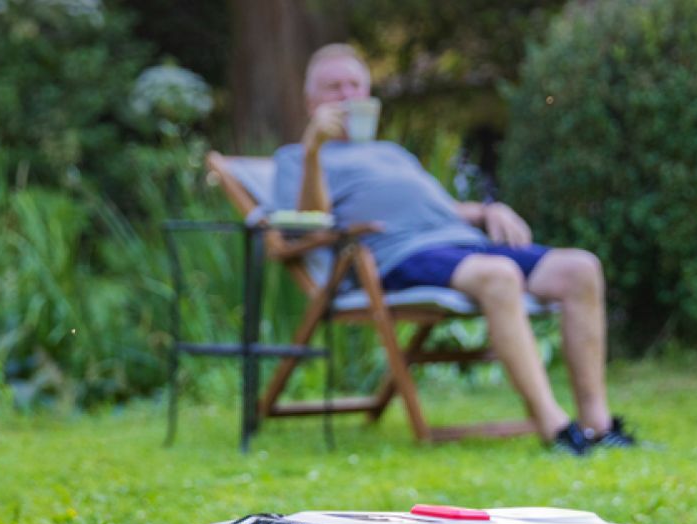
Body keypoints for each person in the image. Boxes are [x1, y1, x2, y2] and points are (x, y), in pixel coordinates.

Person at [272, 44, 635, 454]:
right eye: (333, 87)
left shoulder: (392, 154)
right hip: (400, 254)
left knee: (581, 268)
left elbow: (439, 208)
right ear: (310, 101)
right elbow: (309, 219)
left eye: (355, 84)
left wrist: (486, 209)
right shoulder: (296, 158)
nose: (347, 95)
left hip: (462, 243)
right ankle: (555, 427)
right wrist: (313, 148)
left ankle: (598, 424)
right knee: (500, 276)